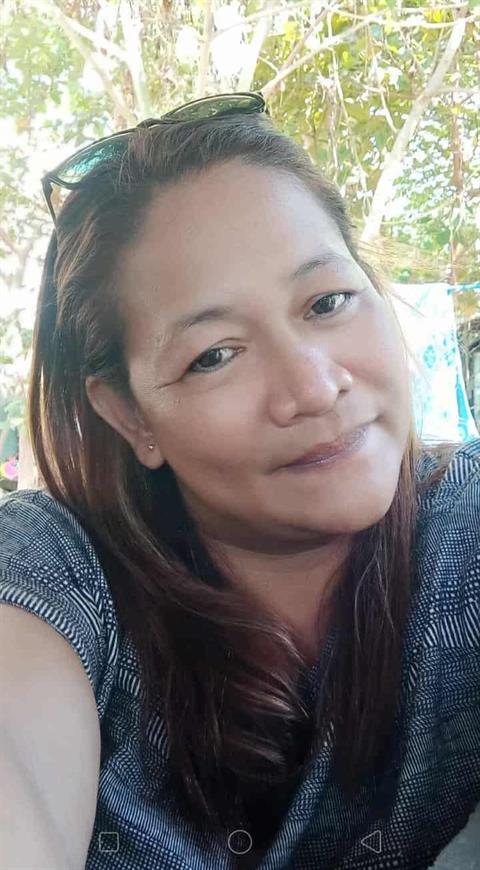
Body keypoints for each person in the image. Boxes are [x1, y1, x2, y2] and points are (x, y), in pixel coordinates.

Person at [0, 92, 479, 870]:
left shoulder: (463, 533)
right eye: (215, 355)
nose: (313, 387)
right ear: (129, 415)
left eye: (327, 302)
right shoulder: (54, 570)